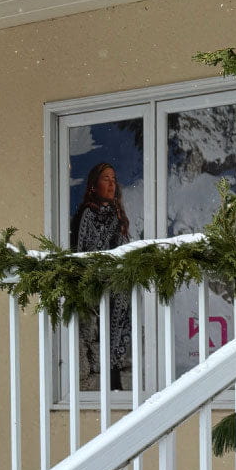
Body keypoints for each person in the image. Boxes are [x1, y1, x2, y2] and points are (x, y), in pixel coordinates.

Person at [70, 161, 132, 391]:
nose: (111, 184)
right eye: (106, 178)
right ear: (94, 184)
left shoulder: (116, 216)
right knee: (95, 346)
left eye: (114, 179)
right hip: (94, 292)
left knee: (113, 344)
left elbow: (123, 251)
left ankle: (114, 379)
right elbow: (80, 254)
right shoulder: (86, 215)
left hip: (115, 292)